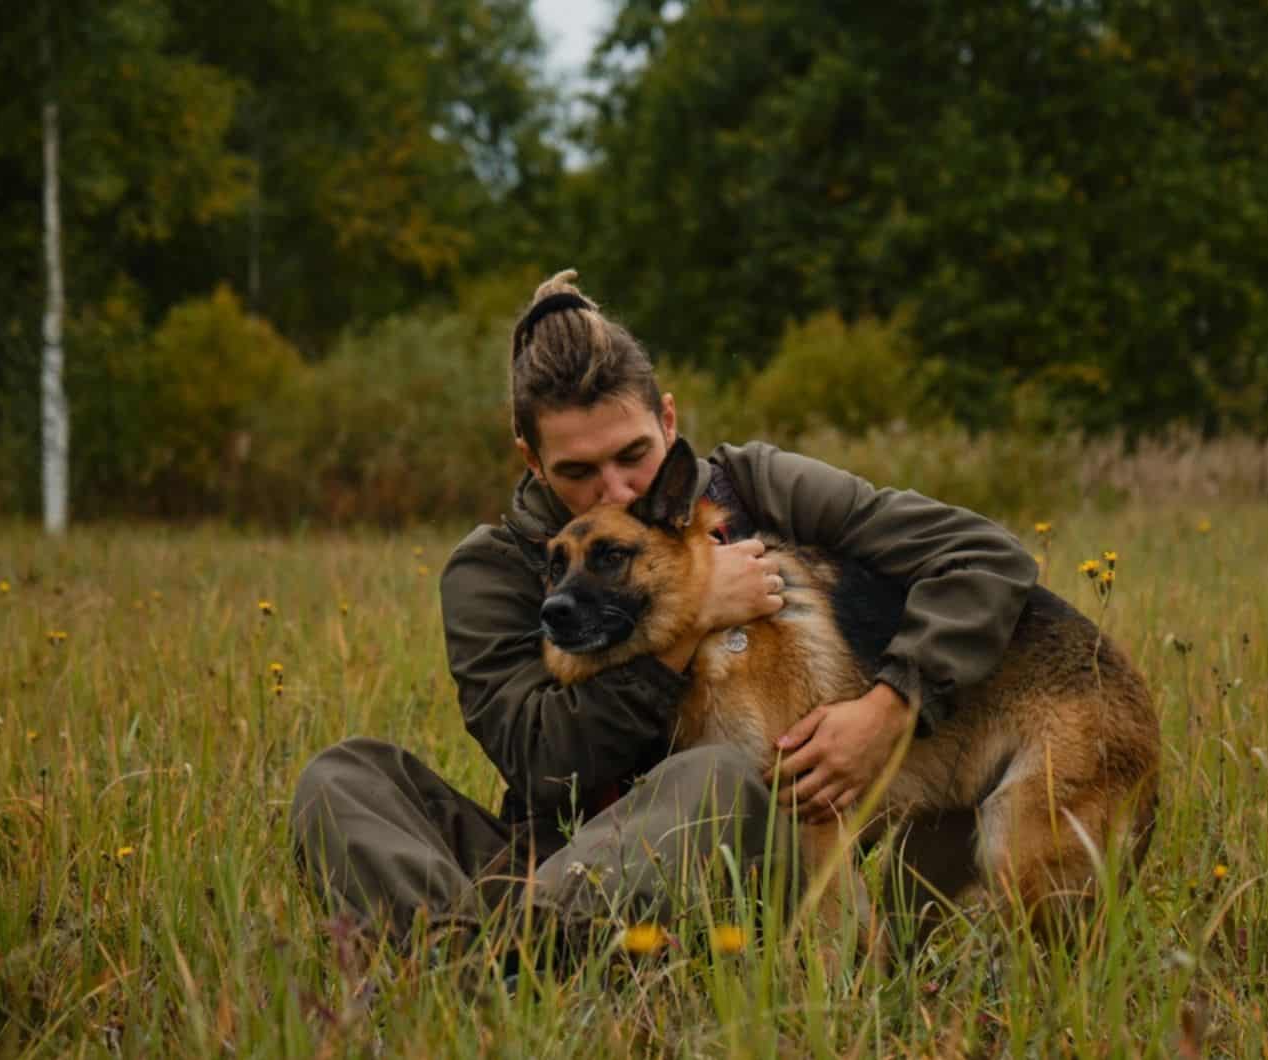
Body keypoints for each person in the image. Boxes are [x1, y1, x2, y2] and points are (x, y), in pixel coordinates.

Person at [291, 270, 1038, 956]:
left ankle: (495, 963)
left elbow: (987, 558)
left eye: (633, 456)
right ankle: (489, 952)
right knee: (344, 777)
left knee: (708, 776)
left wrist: (891, 706)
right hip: (554, 862)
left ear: (669, 419)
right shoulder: (493, 568)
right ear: (531, 461)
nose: (613, 491)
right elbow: (544, 767)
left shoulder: (757, 485)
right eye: (576, 472)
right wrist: (685, 627)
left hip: (731, 872)